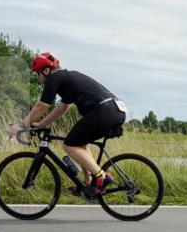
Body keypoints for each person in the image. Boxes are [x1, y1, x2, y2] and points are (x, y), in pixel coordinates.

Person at [8, 52, 126, 199]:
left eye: (37, 74)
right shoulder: (67, 78)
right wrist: (41, 124)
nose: (38, 79)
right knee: (80, 143)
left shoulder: (55, 77)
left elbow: (42, 105)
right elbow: (63, 107)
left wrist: (22, 125)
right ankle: (88, 181)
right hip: (114, 110)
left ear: (46, 70)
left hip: (104, 110)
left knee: (69, 145)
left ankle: (102, 176)